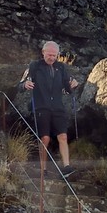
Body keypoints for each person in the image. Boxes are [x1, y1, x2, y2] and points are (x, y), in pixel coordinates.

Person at [19, 40, 80, 172]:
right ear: (43, 52)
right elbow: (21, 84)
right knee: (45, 138)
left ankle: (67, 167)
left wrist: (73, 84)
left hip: (58, 107)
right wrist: (25, 85)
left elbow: (67, 87)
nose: (52, 58)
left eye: (54, 55)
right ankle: (43, 168)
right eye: (49, 55)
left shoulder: (62, 68)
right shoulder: (34, 66)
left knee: (63, 136)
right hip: (41, 107)